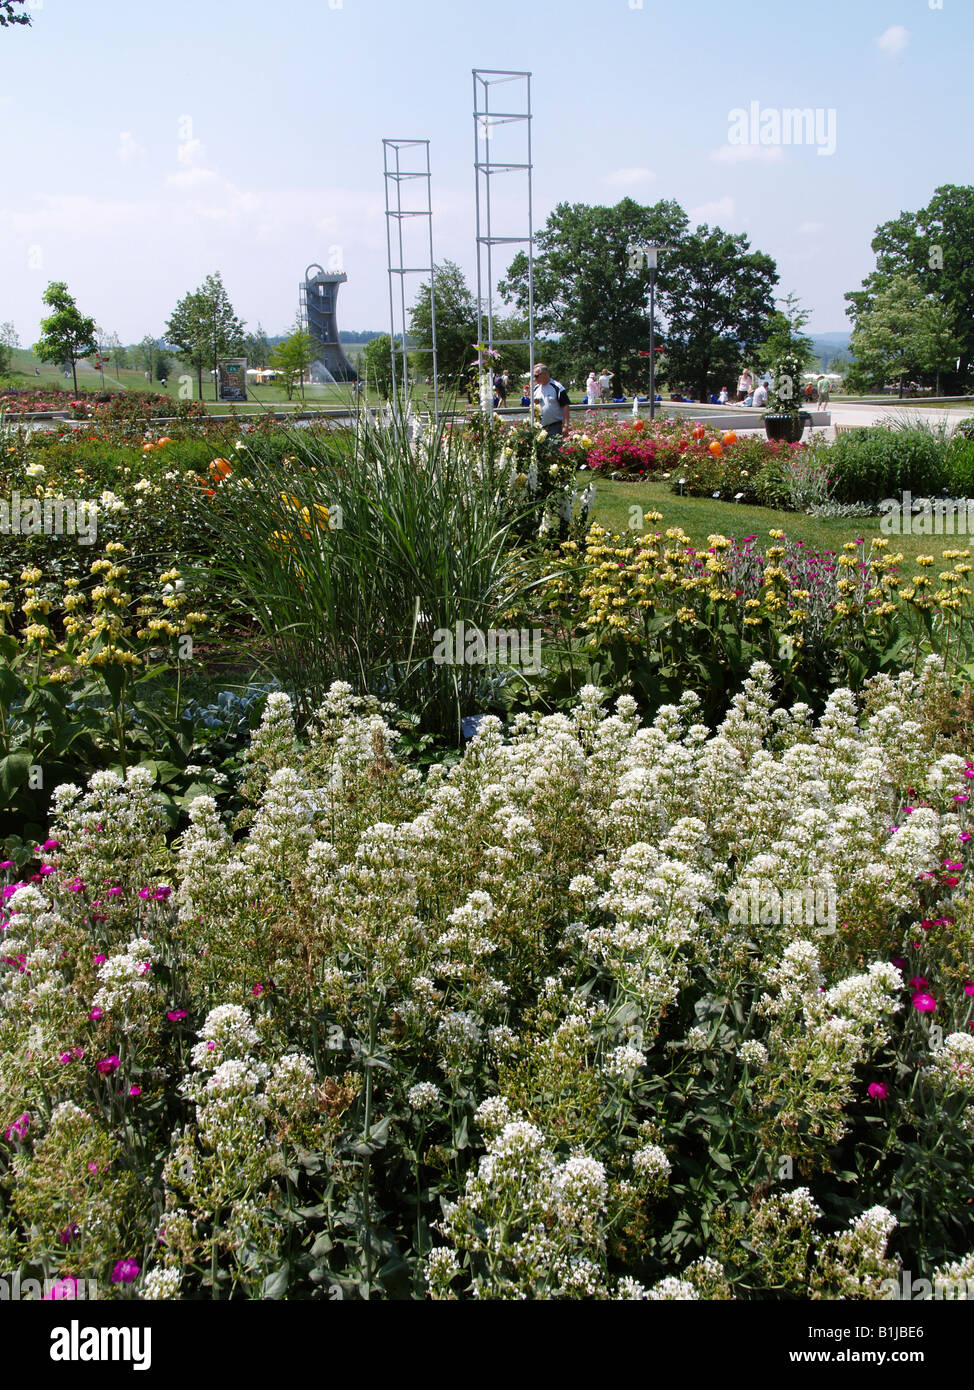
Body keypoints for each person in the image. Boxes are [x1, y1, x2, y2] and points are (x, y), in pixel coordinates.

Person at [532, 363, 570, 439]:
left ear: (545, 374)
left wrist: (566, 426)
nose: (534, 379)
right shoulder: (535, 389)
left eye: (536, 376)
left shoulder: (557, 387)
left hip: (555, 426)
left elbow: (566, 406)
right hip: (539, 428)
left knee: (554, 450)